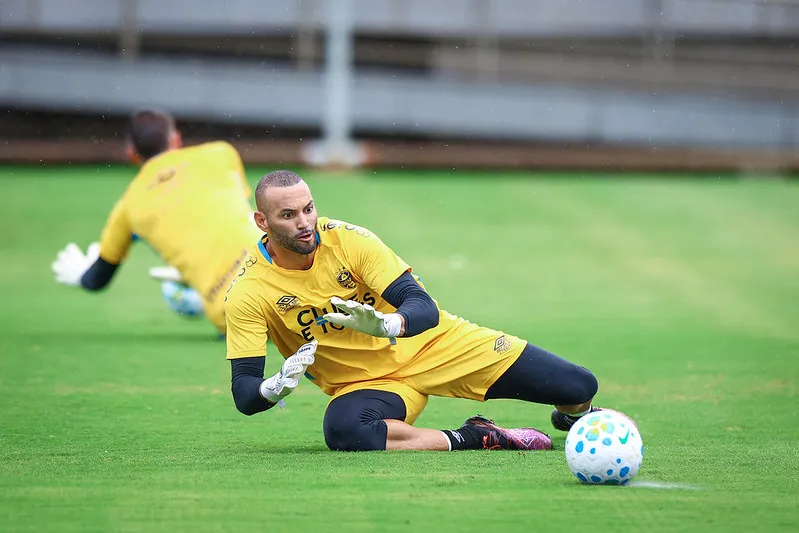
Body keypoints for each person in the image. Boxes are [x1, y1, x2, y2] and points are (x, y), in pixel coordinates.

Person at [225, 170, 600, 451]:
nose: (305, 224)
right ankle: (476, 436)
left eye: (308, 209)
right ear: (262, 221)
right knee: (343, 430)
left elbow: (423, 309)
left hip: (438, 345)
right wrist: (271, 389)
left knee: (580, 386)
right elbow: (244, 395)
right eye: (288, 215)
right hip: (369, 385)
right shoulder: (248, 291)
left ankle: (571, 416)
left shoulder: (350, 240)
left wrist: (387, 324)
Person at [51, 109, 261, 334]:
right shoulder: (221, 153)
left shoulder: (128, 206)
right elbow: (245, 217)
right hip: (279, 274)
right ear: (176, 139)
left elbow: (97, 280)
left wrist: (82, 275)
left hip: (229, 312)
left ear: (132, 154)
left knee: (244, 321)